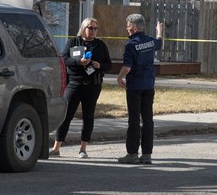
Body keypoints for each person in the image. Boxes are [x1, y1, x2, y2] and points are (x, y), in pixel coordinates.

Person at [49, 17, 112, 158]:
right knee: (66, 115)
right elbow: (64, 59)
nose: (93, 31)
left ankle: (83, 149)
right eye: (90, 28)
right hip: (74, 84)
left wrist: (99, 65)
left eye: (95, 28)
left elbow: (109, 65)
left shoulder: (100, 45)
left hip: (93, 85)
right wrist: (79, 62)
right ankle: (56, 148)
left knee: (88, 117)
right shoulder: (73, 42)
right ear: (84, 28)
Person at [117, 14, 163, 164]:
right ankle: (147, 154)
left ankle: (132, 154)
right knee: (148, 120)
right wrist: (159, 31)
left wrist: (119, 77)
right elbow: (159, 43)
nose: (127, 28)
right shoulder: (150, 41)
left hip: (135, 86)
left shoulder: (130, 45)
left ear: (135, 28)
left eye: (128, 26)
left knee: (134, 120)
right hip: (149, 86)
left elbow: (127, 67)